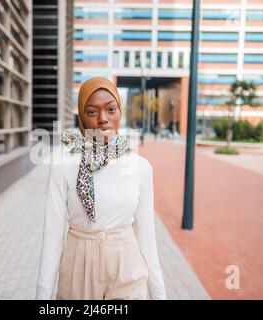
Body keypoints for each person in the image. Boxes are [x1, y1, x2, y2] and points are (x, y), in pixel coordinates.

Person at [36, 77, 167, 300]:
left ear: (120, 112)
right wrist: (42, 295)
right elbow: (53, 235)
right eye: (92, 111)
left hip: (127, 268)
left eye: (111, 109)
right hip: (78, 266)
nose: (103, 119)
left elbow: (146, 235)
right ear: (82, 116)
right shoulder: (62, 165)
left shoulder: (140, 167)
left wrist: (159, 295)